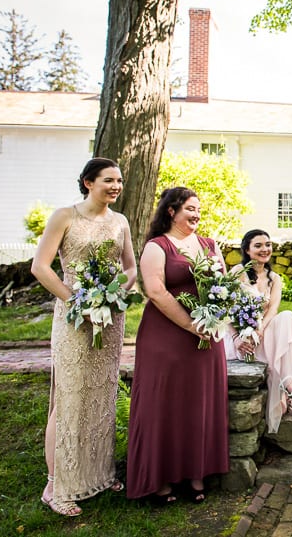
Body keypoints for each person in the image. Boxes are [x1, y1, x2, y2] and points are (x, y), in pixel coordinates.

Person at [31, 157, 136, 517]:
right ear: (88, 182)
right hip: (75, 318)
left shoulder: (120, 221)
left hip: (109, 319)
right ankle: (55, 484)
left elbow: (130, 268)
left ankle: (98, 474)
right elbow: (40, 266)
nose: (116, 186)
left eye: (119, 181)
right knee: (69, 399)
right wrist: (77, 301)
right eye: (109, 180)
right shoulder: (65, 216)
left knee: (101, 395)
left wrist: (113, 294)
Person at [126, 187, 229, 504]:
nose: (196, 215)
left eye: (199, 209)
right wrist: (190, 325)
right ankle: (160, 480)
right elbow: (156, 292)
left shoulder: (210, 245)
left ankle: (196, 473)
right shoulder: (157, 247)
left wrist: (214, 321)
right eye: (190, 209)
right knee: (163, 405)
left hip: (207, 337)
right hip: (166, 337)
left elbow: (224, 286)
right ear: (171, 211)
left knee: (200, 403)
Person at [226, 229, 292, 430]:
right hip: (242, 342)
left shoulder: (274, 278)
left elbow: (273, 309)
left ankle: (289, 384)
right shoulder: (236, 274)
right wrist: (236, 337)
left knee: (287, 317)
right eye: (258, 245)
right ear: (247, 250)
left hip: (261, 335)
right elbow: (224, 312)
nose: (264, 249)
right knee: (283, 332)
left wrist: (259, 329)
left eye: (267, 244)